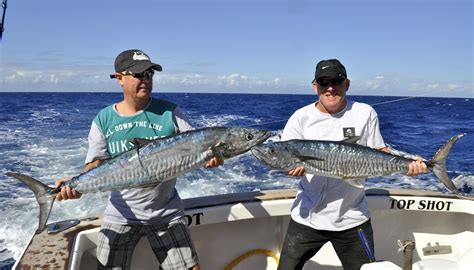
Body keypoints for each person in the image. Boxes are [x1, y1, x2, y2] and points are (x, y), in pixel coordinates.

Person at [56, 49, 223, 270]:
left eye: (149, 74)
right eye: (138, 74)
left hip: (167, 213)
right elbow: (96, 164)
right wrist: (74, 185)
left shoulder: (170, 112)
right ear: (119, 78)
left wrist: (212, 158)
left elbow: (197, 147)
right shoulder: (104, 119)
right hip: (120, 215)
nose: (145, 79)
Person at [277, 59, 428, 270]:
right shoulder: (300, 118)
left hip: (353, 219)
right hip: (307, 218)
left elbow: (380, 151)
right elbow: (286, 159)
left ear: (346, 84)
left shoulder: (364, 113)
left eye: (336, 82)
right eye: (324, 82)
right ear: (315, 86)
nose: (330, 88)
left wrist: (408, 164)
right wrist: (290, 170)